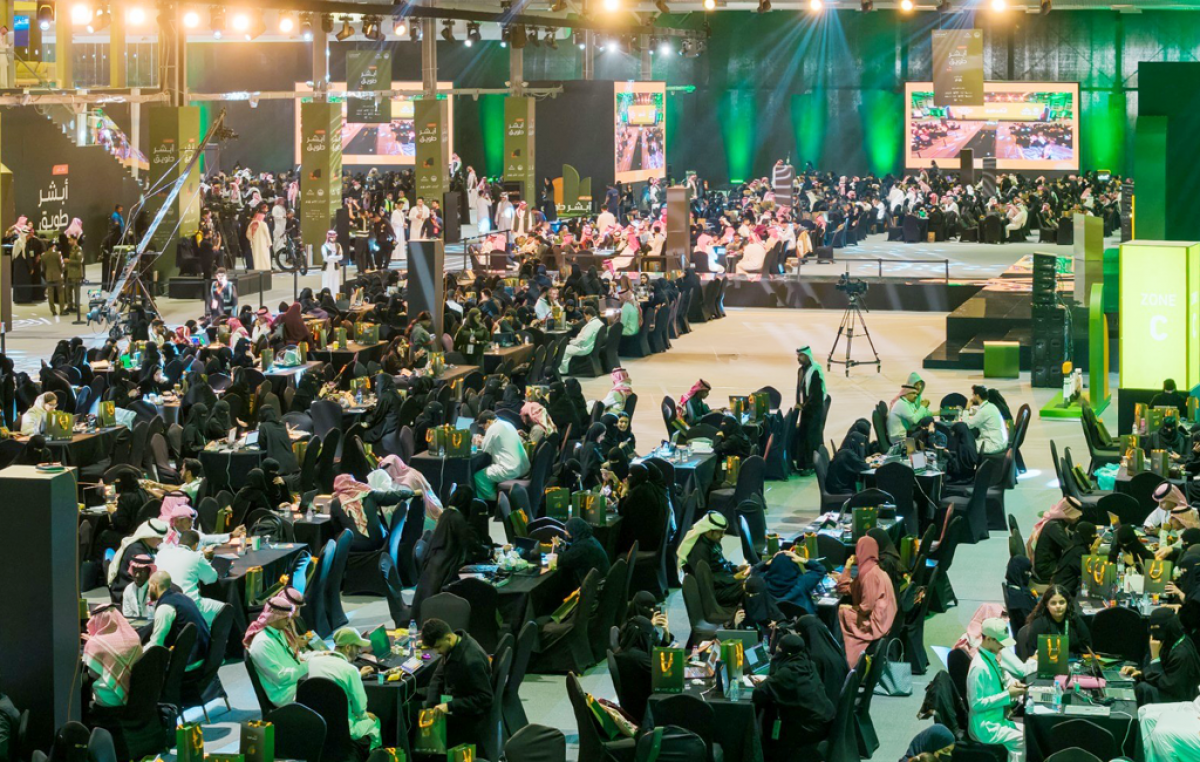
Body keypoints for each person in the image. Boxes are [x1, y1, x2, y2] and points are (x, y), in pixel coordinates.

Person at [752, 633, 835, 761]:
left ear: (786, 653)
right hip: (824, 719)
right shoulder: (808, 664)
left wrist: (765, 682)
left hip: (810, 728)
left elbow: (758, 695)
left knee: (769, 722)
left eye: (779, 649)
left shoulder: (787, 673)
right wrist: (772, 681)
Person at [421, 618, 495, 753]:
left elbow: (485, 697)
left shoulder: (471, 662)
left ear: (448, 638)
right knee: (418, 704)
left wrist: (450, 706)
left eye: (438, 647)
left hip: (467, 716)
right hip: (455, 696)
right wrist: (431, 705)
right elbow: (439, 675)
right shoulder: (455, 644)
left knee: (412, 716)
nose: (436, 652)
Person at [305, 628, 382, 750]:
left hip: (317, 725)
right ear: (348, 648)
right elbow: (360, 710)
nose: (359, 651)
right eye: (357, 647)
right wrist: (365, 716)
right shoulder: (350, 670)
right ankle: (371, 754)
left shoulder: (314, 662)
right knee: (375, 721)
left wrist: (358, 675)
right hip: (345, 729)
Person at [966, 617, 1025, 762]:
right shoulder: (979, 668)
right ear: (988, 639)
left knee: (1031, 732)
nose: (1003, 646)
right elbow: (976, 704)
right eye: (1000, 642)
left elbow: (1000, 681)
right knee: (1024, 740)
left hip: (997, 719)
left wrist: (1013, 686)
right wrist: (1008, 694)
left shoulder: (991, 658)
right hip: (985, 727)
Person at [837, 534, 897, 667]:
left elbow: (866, 608)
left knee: (842, 612)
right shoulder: (872, 569)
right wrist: (847, 567)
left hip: (877, 623)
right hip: (884, 618)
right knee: (845, 608)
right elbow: (845, 589)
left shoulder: (869, 575)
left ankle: (846, 659)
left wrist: (849, 608)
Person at [1123, 608, 1200, 705]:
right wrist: (1140, 673)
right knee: (1136, 682)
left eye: (1155, 627)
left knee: (1143, 688)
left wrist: (1155, 658)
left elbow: (1169, 685)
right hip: (1170, 690)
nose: (1152, 632)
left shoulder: (1182, 654)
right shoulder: (1170, 641)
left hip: (1179, 699)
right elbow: (1161, 673)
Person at [151, 530, 223, 625]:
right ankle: (208, 633)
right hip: (189, 606)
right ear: (196, 545)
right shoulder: (196, 556)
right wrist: (205, 560)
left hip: (162, 606)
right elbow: (211, 578)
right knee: (224, 609)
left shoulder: (161, 553)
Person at [245, 597, 307, 706]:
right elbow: (281, 677)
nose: (289, 620)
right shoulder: (262, 643)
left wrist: (316, 657)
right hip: (285, 693)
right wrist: (308, 666)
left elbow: (294, 657)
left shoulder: (279, 632)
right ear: (275, 617)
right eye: (286, 617)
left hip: (295, 682)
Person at [145, 571, 211, 671]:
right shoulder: (183, 597)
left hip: (189, 662)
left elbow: (156, 644)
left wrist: (137, 654)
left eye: (149, 586)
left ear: (155, 585)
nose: (148, 590)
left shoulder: (165, 607)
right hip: (204, 654)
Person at [679, 510, 748, 606]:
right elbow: (705, 580)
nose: (722, 536)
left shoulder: (712, 541)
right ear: (709, 531)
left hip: (722, 582)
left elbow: (720, 564)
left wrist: (736, 568)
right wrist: (733, 578)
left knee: (753, 579)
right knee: (749, 586)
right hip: (712, 593)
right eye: (720, 532)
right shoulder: (699, 549)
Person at [81, 605, 143, 709]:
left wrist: (91, 642)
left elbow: (93, 675)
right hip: (135, 694)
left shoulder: (95, 643)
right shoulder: (134, 637)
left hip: (110, 699)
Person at [1020, 584, 1091, 659]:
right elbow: (1032, 654)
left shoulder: (1074, 619)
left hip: (1072, 662)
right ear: (1047, 605)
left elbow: (1087, 647)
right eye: (1053, 603)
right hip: (1047, 663)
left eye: (1062, 602)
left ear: (1067, 603)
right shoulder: (1039, 624)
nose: (1058, 606)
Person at [472, 411, 530, 500]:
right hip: (523, 468)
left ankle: (494, 502)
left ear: (488, 421)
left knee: (479, 476)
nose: (484, 430)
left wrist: (476, 442)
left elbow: (484, 449)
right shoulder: (507, 424)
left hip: (510, 469)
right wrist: (484, 439)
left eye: (484, 427)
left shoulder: (493, 427)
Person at [1028, 496, 1083, 585]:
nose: (1078, 518)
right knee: (1076, 571)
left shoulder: (1058, 523)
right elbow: (1070, 548)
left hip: (1050, 563)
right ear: (1067, 513)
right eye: (1076, 515)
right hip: (1046, 569)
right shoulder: (1054, 527)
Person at [795, 347, 826, 473]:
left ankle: (810, 465)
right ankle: (802, 463)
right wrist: (798, 403)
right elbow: (799, 389)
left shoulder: (815, 371)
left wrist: (804, 406)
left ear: (808, 356)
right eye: (798, 356)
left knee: (810, 437)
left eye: (801, 356)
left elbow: (815, 394)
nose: (799, 358)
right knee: (802, 435)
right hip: (806, 409)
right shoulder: (800, 371)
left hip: (814, 410)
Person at [556, 517, 611, 588]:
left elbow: (560, 559)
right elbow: (574, 551)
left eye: (567, 530)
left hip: (596, 587)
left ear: (574, 530)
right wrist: (565, 545)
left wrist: (557, 548)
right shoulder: (589, 539)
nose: (565, 533)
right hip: (604, 580)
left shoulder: (582, 547)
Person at [963, 384, 1008, 456]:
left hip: (993, 445)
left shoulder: (984, 411)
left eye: (973, 395)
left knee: (964, 446)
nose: (972, 398)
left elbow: (966, 425)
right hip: (1001, 442)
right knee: (972, 440)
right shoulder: (991, 406)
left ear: (977, 396)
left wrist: (966, 409)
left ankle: (969, 463)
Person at [558, 305, 604, 374]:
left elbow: (583, 340)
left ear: (588, 315)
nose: (585, 319)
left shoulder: (591, 325)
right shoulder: (599, 322)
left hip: (584, 348)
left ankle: (563, 371)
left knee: (565, 349)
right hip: (590, 346)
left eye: (585, 316)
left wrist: (572, 342)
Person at [121, 554, 156, 621]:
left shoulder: (156, 589)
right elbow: (127, 615)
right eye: (135, 571)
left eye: (142, 572)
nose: (137, 575)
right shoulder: (128, 589)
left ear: (149, 572)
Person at [42, 241, 65, 316]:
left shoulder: (44, 255)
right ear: (53, 246)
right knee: (60, 293)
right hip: (58, 276)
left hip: (49, 276)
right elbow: (61, 265)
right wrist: (62, 271)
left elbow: (43, 267)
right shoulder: (58, 254)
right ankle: (62, 310)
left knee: (50, 293)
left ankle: (53, 311)